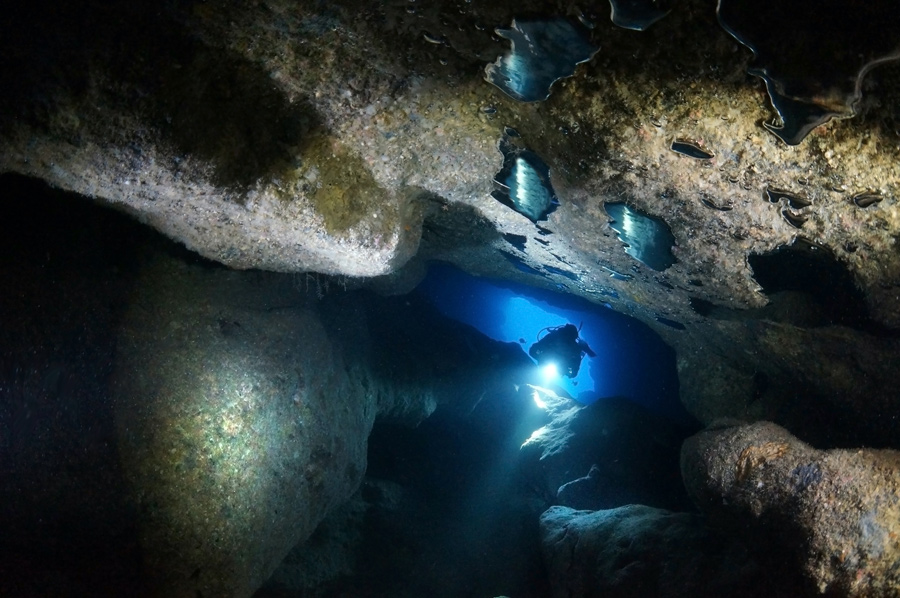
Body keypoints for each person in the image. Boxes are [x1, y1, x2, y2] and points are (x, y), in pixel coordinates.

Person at [528, 323, 595, 378]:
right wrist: (541, 358)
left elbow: (574, 372)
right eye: (565, 337)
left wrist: (565, 371)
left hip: (554, 366)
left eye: (569, 340)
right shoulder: (553, 337)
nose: (566, 341)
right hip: (548, 364)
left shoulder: (575, 348)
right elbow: (532, 350)